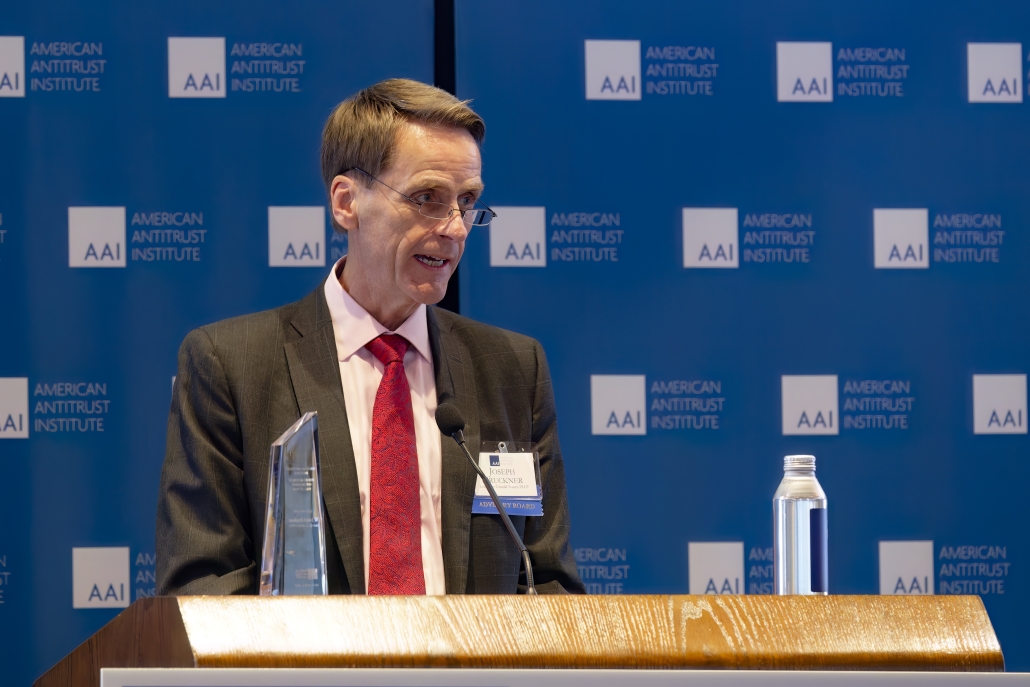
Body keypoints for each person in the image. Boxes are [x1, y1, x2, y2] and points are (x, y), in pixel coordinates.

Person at [156, 78, 584, 596]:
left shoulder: (513, 369)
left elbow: (548, 584)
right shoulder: (232, 366)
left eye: (467, 201)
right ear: (346, 202)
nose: (455, 229)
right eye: (427, 198)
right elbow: (204, 587)